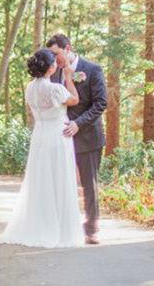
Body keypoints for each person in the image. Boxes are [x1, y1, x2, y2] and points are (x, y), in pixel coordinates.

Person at [0, 48, 85, 248]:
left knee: (41, 181)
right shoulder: (55, 89)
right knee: (58, 179)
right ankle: (59, 230)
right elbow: (74, 100)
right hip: (57, 135)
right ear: (50, 67)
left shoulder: (30, 88)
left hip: (40, 135)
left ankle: (38, 226)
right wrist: (68, 77)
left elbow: (32, 109)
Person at [46, 33, 107, 245]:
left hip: (88, 136)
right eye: (52, 56)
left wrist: (78, 124)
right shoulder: (52, 74)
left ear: (68, 49)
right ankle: (63, 226)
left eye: (57, 54)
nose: (55, 60)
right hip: (60, 138)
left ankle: (92, 229)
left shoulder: (92, 70)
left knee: (89, 184)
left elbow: (100, 104)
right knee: (61, 182)